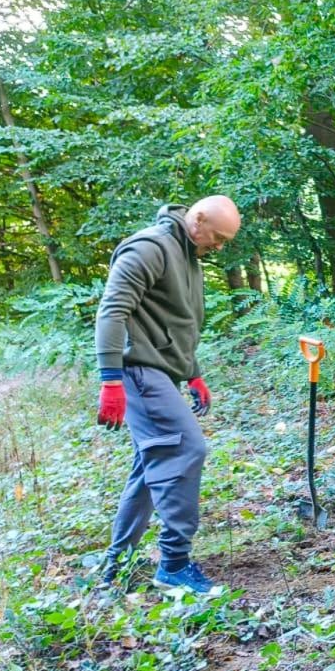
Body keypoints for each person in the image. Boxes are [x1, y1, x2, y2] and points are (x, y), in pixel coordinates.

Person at [95, 196, 241, 595]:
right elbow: (112, 311)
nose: (220, 246)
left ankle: (116, 566)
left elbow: (175, 320)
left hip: (161, 371)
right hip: (139, 371)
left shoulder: (187, 253)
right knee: (185, 449)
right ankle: (173, 564)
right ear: (197, 219)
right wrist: (110, 380)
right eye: (218, 236)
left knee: (149, 465)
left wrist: (192, 373)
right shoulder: (150, 247)